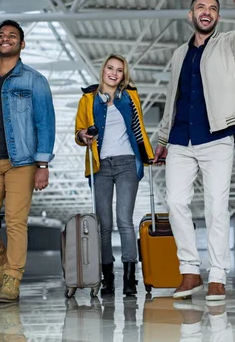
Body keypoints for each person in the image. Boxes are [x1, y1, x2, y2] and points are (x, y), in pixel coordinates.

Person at [153, 0, 235, 301]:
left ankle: (216, 276)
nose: (207, 12)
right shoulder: (178, 55)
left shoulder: (228, 44)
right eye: (201, 7)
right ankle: (189, 272)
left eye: (213, 8)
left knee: (216, 206)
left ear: (217, 16)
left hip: (216, 137)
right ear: (191, 15)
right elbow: (172, 98)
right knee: (175, 203)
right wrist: (161, 138)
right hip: (180, 139)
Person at [0, 19, 55, 303]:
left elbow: (45, 123)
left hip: (22, 161)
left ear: (22, 43)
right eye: (1, 35)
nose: (5, 38)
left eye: (12, 35)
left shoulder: (34, 80)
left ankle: (13, 279)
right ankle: (0, 263)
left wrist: (43, 165)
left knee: (16, 222)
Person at [75, 54, 154, 296]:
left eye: (119, 70)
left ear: (123, 74)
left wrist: (148, 154)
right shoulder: (88, 99)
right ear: (103, 70)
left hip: (127, 162)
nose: (114, 73)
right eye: (110, 68)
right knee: (104, 225)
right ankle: (107, 277)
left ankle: (130, 279)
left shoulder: (130, 97)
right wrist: (83, 136)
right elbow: (78, 132)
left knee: (124, 221)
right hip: (100, 166)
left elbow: (139, 127)